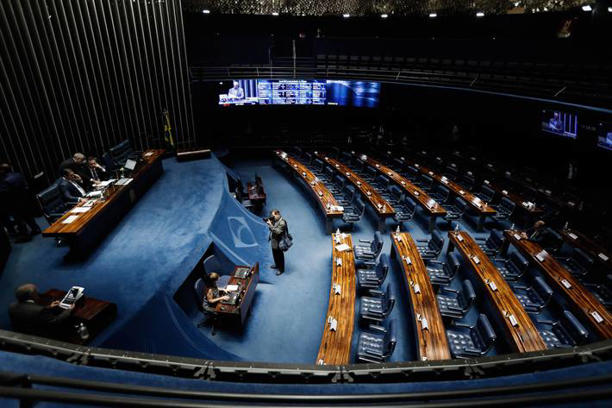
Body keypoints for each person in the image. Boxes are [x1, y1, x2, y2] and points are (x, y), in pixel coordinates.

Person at [8, 283, 74, 336]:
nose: (38, 294)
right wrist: (68, 310)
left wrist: (48, 307)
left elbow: (30, 312)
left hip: (21, 334)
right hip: (39, 336)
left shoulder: (12, 306)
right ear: (32, 295)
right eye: (36, 292)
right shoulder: (39, 310)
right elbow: (55, 321)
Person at [0, 163, 41, 241]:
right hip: (25, 199)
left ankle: (25, 236)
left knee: (19, 219)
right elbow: (26, 186)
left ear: (2, 171)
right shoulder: (18, 175)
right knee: (28, 216)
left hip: (14, 204)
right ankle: (36, 229)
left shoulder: (5, 181)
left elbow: (4, 194)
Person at [266, 209, 287, 275]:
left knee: (279, 255)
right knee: (275, 253)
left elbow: (277, 231)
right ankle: (277, 265)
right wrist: (270, 224)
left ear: (278, 214)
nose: (273, 217)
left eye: (273, 215)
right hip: (274, 239)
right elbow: (272, 229)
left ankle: (281, 269)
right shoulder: (275, 220)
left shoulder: (282, 222)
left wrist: (271, 225)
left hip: (280, 241)